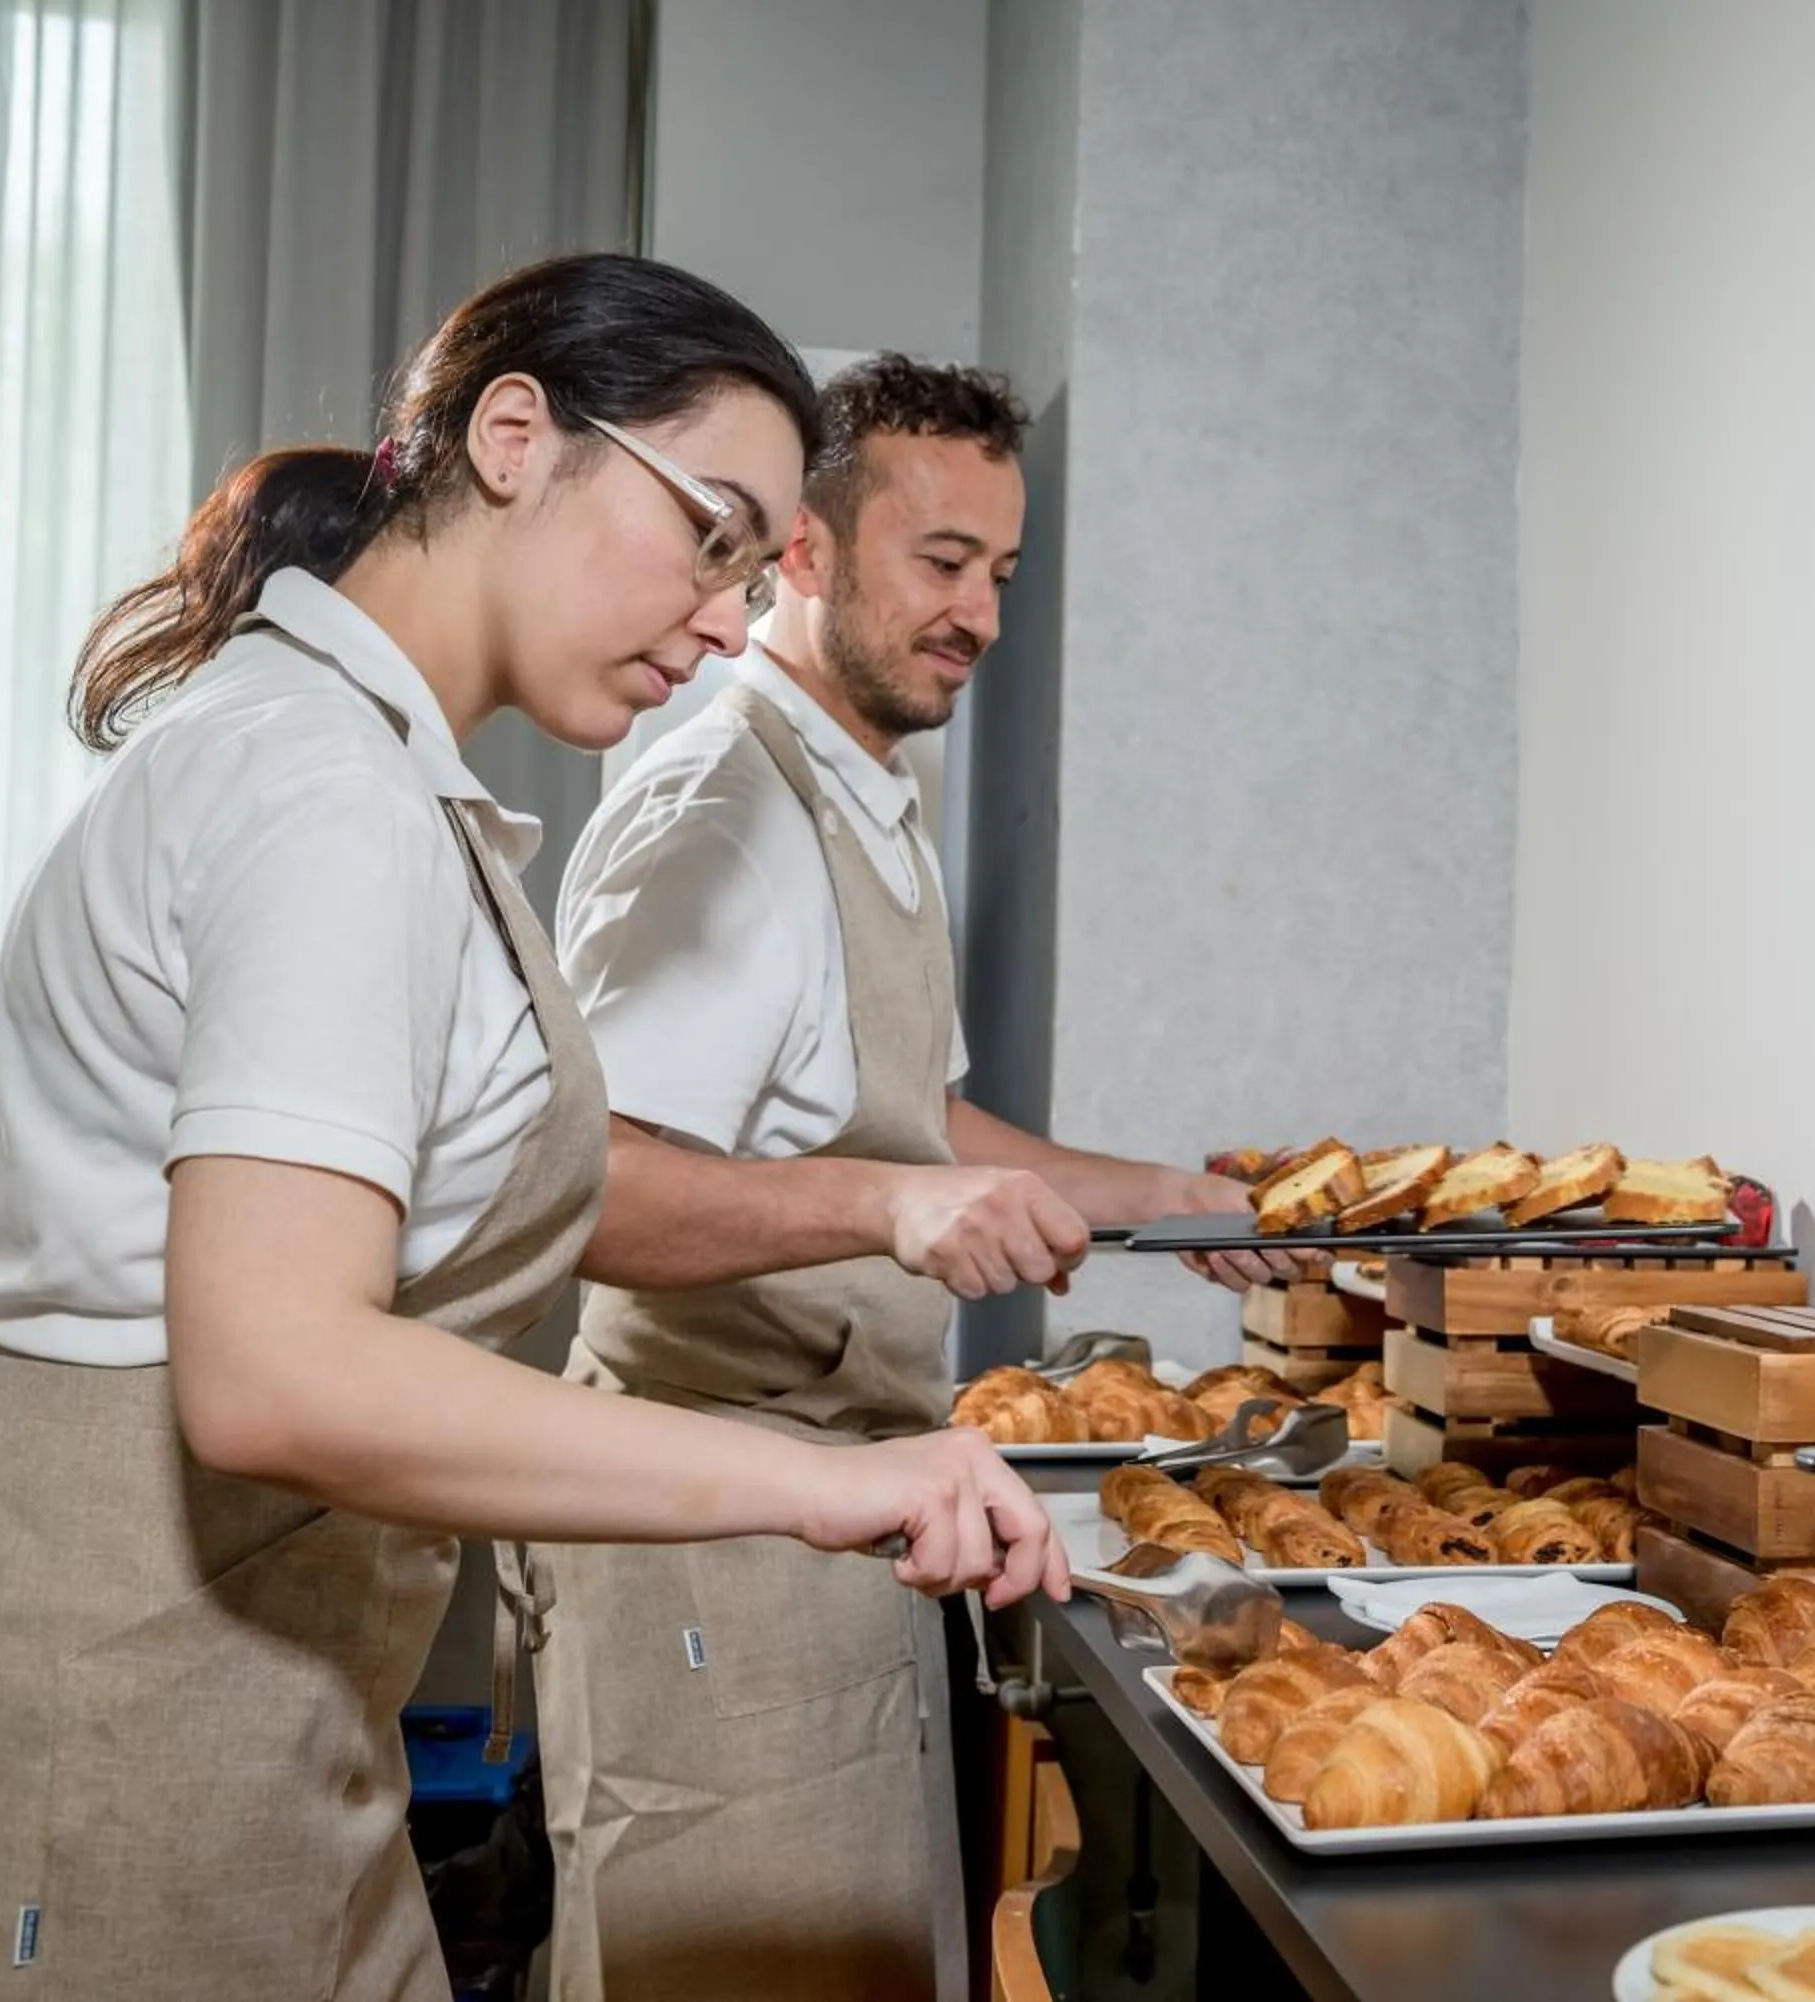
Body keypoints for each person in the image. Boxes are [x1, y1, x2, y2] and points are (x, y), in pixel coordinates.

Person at [0, 257, 1061, 2002]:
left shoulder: (389, 781)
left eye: (757, 566)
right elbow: (280, 1373)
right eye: (710, 533)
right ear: (516, 435)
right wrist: (826, 1481)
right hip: (83, 1729)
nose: (727, 616)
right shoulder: (320, 787)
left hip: (269, 1715)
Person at [536, 355, 1281, 2000]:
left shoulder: (870, 791)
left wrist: (1167, 1194)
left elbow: (911, 1116)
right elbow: (590, 1187)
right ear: (798, 550)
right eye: (941, 562)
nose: (982, 616)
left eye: (1002, 574)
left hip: (847, 1504)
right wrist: (886, 1209)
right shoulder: (727, 808)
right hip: (704, 1536)